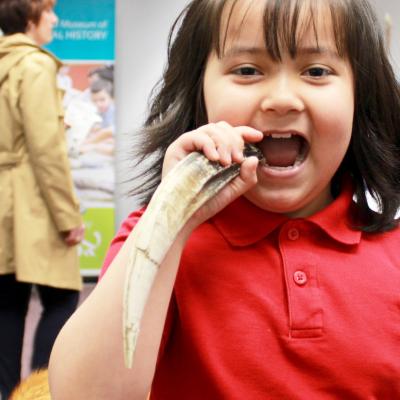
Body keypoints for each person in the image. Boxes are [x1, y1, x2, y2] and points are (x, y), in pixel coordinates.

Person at [49, 0, 400, 398]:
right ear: (198, 95)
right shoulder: (157, 240)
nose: (281, 99)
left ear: (361, 97)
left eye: (316, 71)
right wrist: (172, 216)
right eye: (247, 70)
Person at [0, 0, 85, 398]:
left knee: (8, 304)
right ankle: (43, 393)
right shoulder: (33, 66)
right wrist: (68, 216)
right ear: (31, 18)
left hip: (3, 202)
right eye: (49, 12)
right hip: (33, 204)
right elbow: (45, 150)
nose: (54, 19)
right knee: (62, 299)